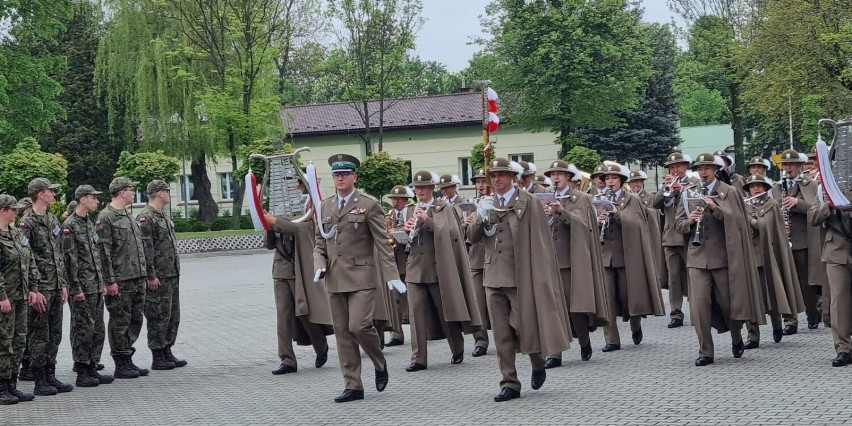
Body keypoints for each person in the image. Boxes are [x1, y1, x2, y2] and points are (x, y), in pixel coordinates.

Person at [468, 157, 571, 402]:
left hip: (520, 276)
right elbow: (473, 237)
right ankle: (510, 382)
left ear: (512, 178)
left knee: (522, 327)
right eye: (492, 176)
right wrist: (479, 216)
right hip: (493, 277)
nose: (496, 180)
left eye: (500, 175)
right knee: (501, 334)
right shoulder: (487, 203)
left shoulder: (528, 201)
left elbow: (540, 240)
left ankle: (537, 361)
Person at [312, 154, 404, 403]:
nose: (339, 178)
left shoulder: (369, 204)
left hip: (362, 276)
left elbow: (382, 243)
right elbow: (320, 242)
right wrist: (319, 265)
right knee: (342, 332)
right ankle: (353, 385)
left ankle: (379, 360)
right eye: (336, 175)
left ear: (354, 176)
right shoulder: (325, 206)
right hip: (334, 278)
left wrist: (391, 274)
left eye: (344, 174)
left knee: (359, 326)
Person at [675, 153, 765, 366]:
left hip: (723, 257)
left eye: (707, 168)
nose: (703, 172)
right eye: (700, 168)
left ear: (716, 170)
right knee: (699, 306)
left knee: (727, 303)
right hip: (697, 258)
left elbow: (739, 222)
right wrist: (689, 221)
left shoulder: (729, 192)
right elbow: (677, 224)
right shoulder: (689, 192)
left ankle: (736, 336)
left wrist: (716, 209)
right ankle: (705, 350)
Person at [402, 171, 481, 372]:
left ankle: (457, 347)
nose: (419, 191)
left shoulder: (444, 208)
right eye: (417, 188)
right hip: (415, 268)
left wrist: (426, 221)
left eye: (423, 187)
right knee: (416, 315)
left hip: (437, 268)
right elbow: (409, 239)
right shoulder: (411, 209)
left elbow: (452, 233)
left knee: (445, 311)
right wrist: (405, 231)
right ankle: (418, 358)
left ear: (431, 188)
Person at [261, 179, 332, 375]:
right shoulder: (279, 208)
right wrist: (268, 227)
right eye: (290, 185)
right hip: (281, 270)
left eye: (297, 184)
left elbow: (302, 229)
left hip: (300, 267)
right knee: (283, 317)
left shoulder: (309, 207)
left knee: (305, 312)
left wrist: (276, 222)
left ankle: (321, 346)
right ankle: (287, 359)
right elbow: (269, 244)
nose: (294, 188)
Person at [542, 160, 608, 367]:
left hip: (570, 261)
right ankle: (555, 354)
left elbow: (583, 225)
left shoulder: (580, 198)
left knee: (574, 308)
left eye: (559, 174)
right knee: (551, 310)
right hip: (547, 260)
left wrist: (562, 211)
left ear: (568, 177)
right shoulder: (543, 199)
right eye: (552, 174)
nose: (555, 178)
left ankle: (584, 341)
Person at [596, 164, 665, 353]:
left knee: (628, 296)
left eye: (613, 178)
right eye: (607, 179)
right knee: (607, 299)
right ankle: (612, 340)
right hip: (604, 256)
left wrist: (616, 214)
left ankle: (636, 324)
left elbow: (637, 224)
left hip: (626, 255)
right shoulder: (598, 199)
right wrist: (597, 221)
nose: (610, 182)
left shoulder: (631, 199)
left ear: (621, 181)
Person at [18, 178, 73, 395]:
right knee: (39, 334)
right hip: (40, 287)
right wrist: (33, 288)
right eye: (51, 191)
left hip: (56, 286)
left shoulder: (52, 220)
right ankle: (39, 379)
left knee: (55, 333)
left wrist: (64, 284)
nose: (54, 194)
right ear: (40, 194)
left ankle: (51, 374)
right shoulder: (27, 223)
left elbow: (59, 254)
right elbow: (25, 257)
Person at [741, 175, 804, 348]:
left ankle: (777, 324)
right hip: (749, 258)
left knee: (771, 292)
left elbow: (765, 226)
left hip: (768, 256)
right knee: (751, 296)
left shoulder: (772, 205)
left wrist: (750, 219)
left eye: (759, 185)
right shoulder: (743, 205)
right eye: (752, 186)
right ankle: (752, 336)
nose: (756, 189)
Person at [96, 177, 148, 379]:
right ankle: (120, 360)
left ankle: (128, 356)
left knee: (135, 319)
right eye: (130, 189)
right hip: (120, 279)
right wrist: (109, 281)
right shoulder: (106, 217)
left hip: (136, 276)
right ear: (120, 192)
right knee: (120, 320)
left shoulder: (127, 215)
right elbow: (104, 251)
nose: (133, 192)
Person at [62, 185, 115, 387]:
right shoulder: (70, 226)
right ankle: (82, 370)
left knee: (97, 329)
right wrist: (75, 288)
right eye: (94, 197)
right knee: (82, 328)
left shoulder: (89, 223)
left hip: (94, 286)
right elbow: (69, 260)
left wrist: (101, 282)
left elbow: (96, 257)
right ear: (83, 199)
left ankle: (93, 366)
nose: (97, 201)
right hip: (82, 288)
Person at [137, 180, 188, 370]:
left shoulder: (163, 216)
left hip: (171, 273)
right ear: (159, 193)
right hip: (158, 275)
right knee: (158, 315)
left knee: (172, 315)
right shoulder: (146, 217)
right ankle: (158, 354)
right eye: (167, 190)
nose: (169, 193)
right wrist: (150, 275)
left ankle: (167, 349)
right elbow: (146, 249)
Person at [773, 149, 823, 334]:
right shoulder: (778, 186)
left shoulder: (810, 184)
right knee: (787, 281)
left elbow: (815, 208)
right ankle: (790, 320)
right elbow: (772, 208)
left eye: (791, 164)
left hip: (803, 239)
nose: (787, 168)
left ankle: (812, 313)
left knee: (806, 281)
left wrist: (797, 203)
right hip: (784, 238)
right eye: (785, 165)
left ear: (799, 165)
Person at [0, 194, 37, 404]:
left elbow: (29, 261)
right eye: (13, 209)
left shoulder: (17, 234)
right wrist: (2, 297)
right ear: (3, 210)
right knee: (4, 343)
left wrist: (33, 288)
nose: (17, 212)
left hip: (22, 296)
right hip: (6, 299)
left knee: (19, 340)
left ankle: (12, 384)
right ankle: (2, 385)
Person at [809, 186, 852, 366]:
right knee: (838, 301)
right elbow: (813, 217)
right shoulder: (825, 187)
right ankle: (843, 348)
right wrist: (829, 204)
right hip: (836, 248)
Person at [653, 152, 694, 328]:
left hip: (688, 236)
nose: (675, 169)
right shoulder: (666, 185)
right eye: (672, 167)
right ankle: (676, 313)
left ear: (685, 167)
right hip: (670, 238)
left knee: (693, 275)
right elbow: (655, 203)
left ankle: (697, 309)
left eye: (678, 166)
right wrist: (666, 190)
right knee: (674, 277)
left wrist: (681, 191)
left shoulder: (694, 184)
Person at [466, 168, 490, 358]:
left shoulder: (499, 202)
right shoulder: (472, 204)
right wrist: (467, 223)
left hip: (496, 257)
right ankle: (480, 341)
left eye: (483, 181)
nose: (480, 185)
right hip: (476, 257)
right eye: (478, 182)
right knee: (478, 303)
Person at [384, 185, 413, 347]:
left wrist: (400, 231)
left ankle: (420, 332)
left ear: (405, 200)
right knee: (393, 300)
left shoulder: (411, 212)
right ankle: (396, 334)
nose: (396, 202)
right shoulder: (388, 216)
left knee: (413, 300)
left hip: (409, 261)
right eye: (393, 199)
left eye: (399, 199)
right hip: (393, 263)